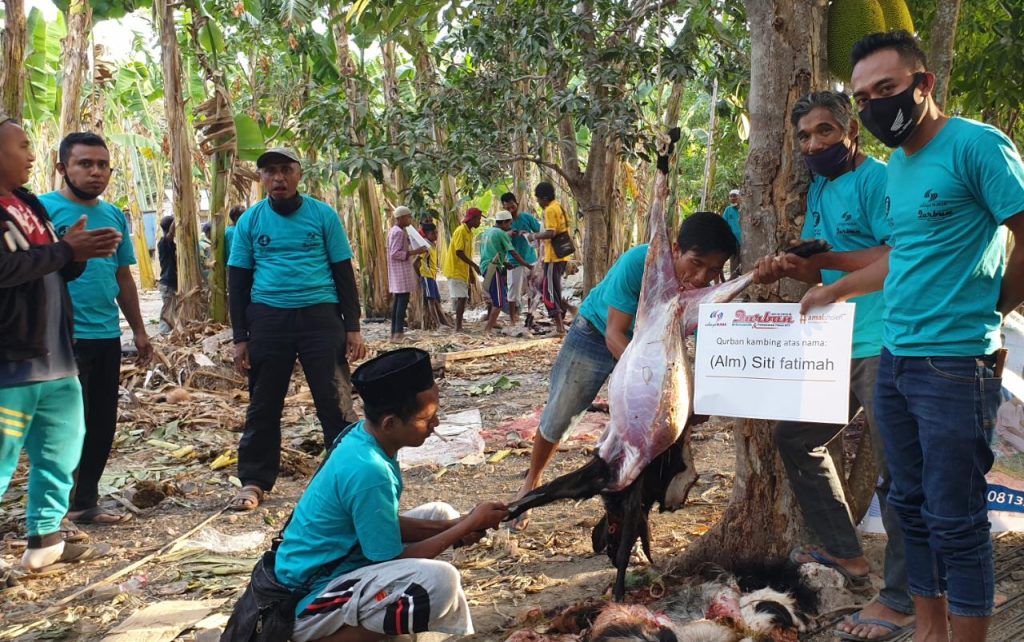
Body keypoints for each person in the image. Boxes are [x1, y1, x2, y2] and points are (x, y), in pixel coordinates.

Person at [801, 31, 1024, 642]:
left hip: (954, 362)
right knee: (909, 506)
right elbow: (903, 258)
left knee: (956, 517)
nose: (875, 105)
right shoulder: (897, 168)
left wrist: (994, 306)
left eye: (887, 89)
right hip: (895, 357)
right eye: (864, 96)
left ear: (923, 84)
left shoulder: (977, 145)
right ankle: (928, 630)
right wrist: (833, 291)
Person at [751, 91, 912, 641]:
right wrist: (787, 268)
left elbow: (896, 254)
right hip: (832, 343)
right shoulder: (820, 187)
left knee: (897, 470)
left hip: (883, 340)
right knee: (796, 437)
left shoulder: (878, 180)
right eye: (804, 135)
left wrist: (828, 266)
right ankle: (848, 554)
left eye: (824, 131)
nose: (813, 143)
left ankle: (903, 595)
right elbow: (822, 268)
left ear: (851, 132)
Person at [511, 212, 737, 528]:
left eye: (713, 270)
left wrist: (698, 397)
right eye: (695, 263)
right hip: (596, 335)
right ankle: (531, 481)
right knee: (561, 414)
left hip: (654, 353)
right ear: (675, 250)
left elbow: (706, 346)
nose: (701, 277)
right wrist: (651, 383)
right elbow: (614, 334)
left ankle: (626, 506)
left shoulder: (703, 293)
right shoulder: (639, 263)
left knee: (656, 426)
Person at [271, 348, 508, 642]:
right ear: (390, 423)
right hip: (305, 598)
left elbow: (380, 525)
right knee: (440, 581)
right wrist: (465, 526)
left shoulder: (363, 436)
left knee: (441, 513)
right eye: (426, 418)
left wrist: (456, 524)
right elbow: (393, 559)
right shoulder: (368, 470)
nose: (435, 424)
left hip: (339, 561)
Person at [0, 116, 118, 573]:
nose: (32, 156)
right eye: (22, 146)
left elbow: (50, 266)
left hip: (56, 355)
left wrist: (77, 254)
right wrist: (67, 250)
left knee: (61, 450)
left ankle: (45, 539)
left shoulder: (28, 203)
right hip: (11, 361)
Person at [227, 148, 367, 512]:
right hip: (269, 318)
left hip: (320, 317)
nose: (279, 178)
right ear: (261, 178)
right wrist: (240, 337)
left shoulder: (322, 215)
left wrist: (352, 327)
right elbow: (238, 282)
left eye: (286, 170)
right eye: (270, 171)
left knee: (335, 401)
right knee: (264, 403)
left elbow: (343, 273)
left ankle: (348, 479)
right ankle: (254, 481)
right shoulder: (250, 221)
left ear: (299, 174)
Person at [42, 132, 153, 527]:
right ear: (62, 168)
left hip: (106, 334)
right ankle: (52, 513)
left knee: (101, 423)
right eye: (85, 164)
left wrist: (139, 330)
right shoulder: (42, 210)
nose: (96, 172)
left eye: (102, 165)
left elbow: (123, 276)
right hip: (59, 336)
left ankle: (84, 503)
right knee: (63, 427)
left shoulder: (114, 215)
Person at [479, 211, 533, 333]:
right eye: (509, 223)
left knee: (494, 297)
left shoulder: (487, 232)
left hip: (485, 267)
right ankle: (488, 329)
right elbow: (513, 252)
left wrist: (504, 263)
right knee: (498, 302)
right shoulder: (501, 233)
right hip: (493, 268)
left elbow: (490, 252)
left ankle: (492, 323)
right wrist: (528, 265)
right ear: (503, 223)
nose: (510, 226)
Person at [531, 182, 570, 335]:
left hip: (553, 257)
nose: (538, 202)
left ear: (544, 198)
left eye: (538, 199)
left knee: (549, 292)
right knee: (552, 288)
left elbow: (551, 232)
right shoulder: (558, 207)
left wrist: (534, 236)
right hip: (561, 255)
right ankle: (561, 321)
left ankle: (560, 328)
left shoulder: (549, 210)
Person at [387, 206, 428, 342]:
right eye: (408, 216)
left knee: (398, 302)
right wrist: (416, 252)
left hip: (398, 272)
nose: (410, 219)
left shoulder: (396, 231)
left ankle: (395, 333)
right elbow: (395, 253)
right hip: (401, 272)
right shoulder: (398, 232)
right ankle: (398, 333)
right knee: (402, 302)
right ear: (401, 218)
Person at [501, 192, 541, 325]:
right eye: (507, 208)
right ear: (503, 208)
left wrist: (529, 235)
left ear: (517, 204)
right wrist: (509, 234)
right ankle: (512, 318)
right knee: (513, 291)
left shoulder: (527, 217)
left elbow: (539, 231)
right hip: (514, 261)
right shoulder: (503, 222)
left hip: (531, 259)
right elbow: (499, 235)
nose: (510, 210)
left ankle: (530, 316)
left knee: (532, 291)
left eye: (512, 207)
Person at [442, 208, 483, 332]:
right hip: (455, 270)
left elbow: (467, 254)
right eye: (479, 219)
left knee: (463, 298)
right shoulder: (461, 231)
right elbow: (459, 252)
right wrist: (474, 265)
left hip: (462, 271)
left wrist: (470, 273)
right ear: (473, 219)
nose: (480, 222)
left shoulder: (469, 233)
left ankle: (458, 325)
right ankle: (458, 327)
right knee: (462, 298)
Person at [416, 222, 448, 327]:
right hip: (427, 275)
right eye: (433, 233)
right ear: (427, 234)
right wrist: (421, 276)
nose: (436, 235)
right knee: (431, 300)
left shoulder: (432, 245)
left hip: (432, 276)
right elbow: (415, 263)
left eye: (436, 232)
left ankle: (444, 322)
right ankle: (438, 324)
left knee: (437, 300)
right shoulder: (425, 246)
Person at [157, 215, 177, 335]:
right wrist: (177, 218)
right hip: (168, 283)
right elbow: (170, 234)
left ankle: (170, 333)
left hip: (171, 283)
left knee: (173, 310)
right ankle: (163, 333)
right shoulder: (163, 242)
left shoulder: (171, 244)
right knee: (167, 310)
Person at [722, 189, 742, 276]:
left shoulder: (743, 209)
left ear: (739, 197)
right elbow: (723, 224)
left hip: (745, 242)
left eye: (734, 196)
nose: (732, 198)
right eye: (731, 196)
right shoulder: (728, 210)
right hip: (733, 242)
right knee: (734, 265)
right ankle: (734, 280)